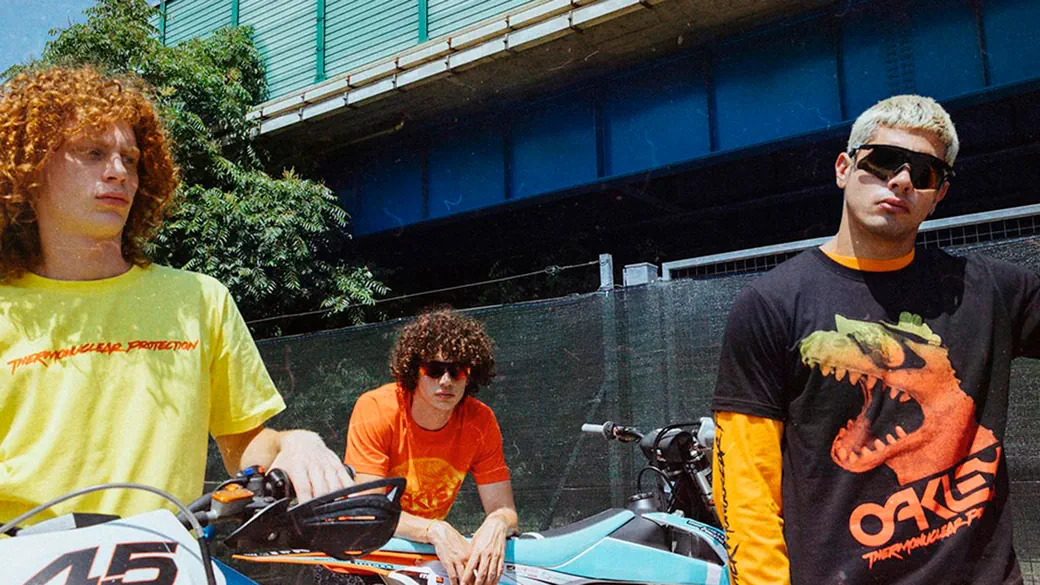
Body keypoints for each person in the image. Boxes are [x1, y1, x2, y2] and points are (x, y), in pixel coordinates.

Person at [0, 66, 353, 525]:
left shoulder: (200, 299)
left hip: (170, 557)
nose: (118, 172)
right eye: (92, 152)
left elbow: (244, 448)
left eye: (130, 159)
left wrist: (295, 443)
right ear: (29, 168)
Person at [711, 94, 1038, 585]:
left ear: (938, 193)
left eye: (924, 172)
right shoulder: (770, 303)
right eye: (883, 160)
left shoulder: (989, 290)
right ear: (844, 168)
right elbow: (746, 486)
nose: (901, 180)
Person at [344, 309, 517, 585]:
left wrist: (497, 524)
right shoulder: (376, 408)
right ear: (414, 371)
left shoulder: (481, 421)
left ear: (470, 375)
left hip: (420, 565)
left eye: (457, 370)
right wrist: (433, 530)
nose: (445, 381)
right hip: (355, 562)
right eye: (434, 370)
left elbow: (505, 510)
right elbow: (366, 512)